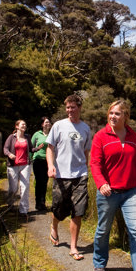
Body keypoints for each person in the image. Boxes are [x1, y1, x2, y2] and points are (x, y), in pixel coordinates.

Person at [90, 100, 136, 271]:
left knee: (135, 230)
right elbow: (95, 163)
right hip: (108, 192)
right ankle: (99, 261)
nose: (113, 117)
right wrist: (101, 183)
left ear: (126, 116)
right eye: (111, 113)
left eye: (117, 114)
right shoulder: (101, 136)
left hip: (131, 192)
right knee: (103, 229)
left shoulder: (134, 137)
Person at [46, 94, 92, 261]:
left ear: (79, 108)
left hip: (80, 175)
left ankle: (73, 246)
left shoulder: (85, 129)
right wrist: (50, 166)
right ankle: (55, 225)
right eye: (67, 107)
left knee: (78, 211)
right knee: (59, 208)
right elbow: (50, 148)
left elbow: (86, 151)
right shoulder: (58, 126)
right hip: (61, 174)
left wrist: (84, 168)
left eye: (73, 107)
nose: (70, 110)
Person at [3, 119, 35, 216]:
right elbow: (5, 148)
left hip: (25, 165)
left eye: (25, 124)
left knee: (25, 187)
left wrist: (37, 148)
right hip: (13, 165)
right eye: (22, 124)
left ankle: (23, 210)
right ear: (17, 126)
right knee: (14, 188)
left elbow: (31, 148)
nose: (24, 126)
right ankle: (10, 204)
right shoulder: (11, 137)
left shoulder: (27, 137)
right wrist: (9, 154)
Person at [31, 116, 52, 211]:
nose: (48, 124)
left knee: (45, 182)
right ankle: (38, 203)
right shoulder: (37, 134)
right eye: (46, 122)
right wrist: (29, 158)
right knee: (39, 181)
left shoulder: (52, 134)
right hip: (38, 160)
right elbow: (31, 147)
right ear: (42, 124)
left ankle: (42, 202)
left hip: (48, 161)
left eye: (49, 122)